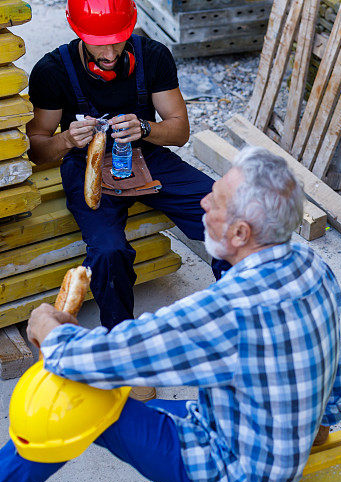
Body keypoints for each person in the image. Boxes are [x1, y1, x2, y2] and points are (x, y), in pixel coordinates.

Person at [0, 147, 341, 482]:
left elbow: (115, 356)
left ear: (240, 233)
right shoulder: (310, 265)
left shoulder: (232, 310)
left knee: (75, 396)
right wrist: (320, 425)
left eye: (215, 200)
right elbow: (332, 360)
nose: (203, 201)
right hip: (260, 443)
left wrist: (53, 334)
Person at [27, 0, 229, 399]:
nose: (108, 53)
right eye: (98, 44)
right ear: (77, 32)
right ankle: (123, 352)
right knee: (107, 251)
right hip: (87, 165)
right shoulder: (53, 71)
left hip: (147, 154)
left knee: (223, 212)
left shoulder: (152, 56)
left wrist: (145, 128)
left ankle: (239, 317)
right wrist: (68, 140)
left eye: (117, 42)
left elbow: (179, 130)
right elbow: (36, 148)